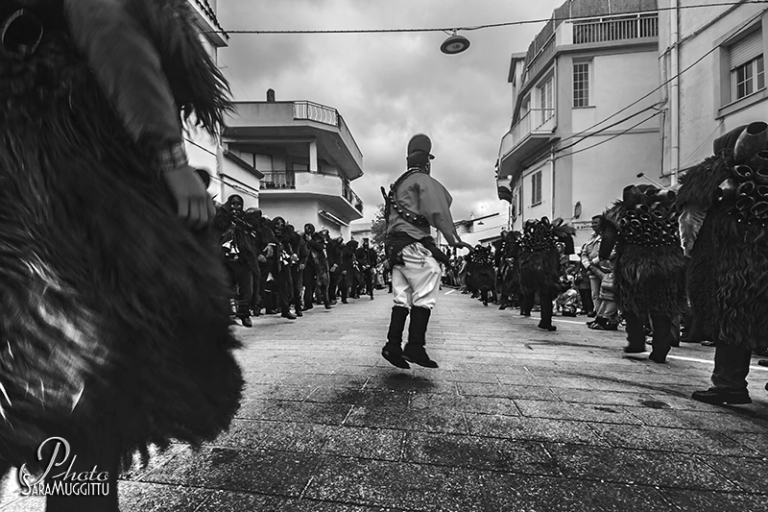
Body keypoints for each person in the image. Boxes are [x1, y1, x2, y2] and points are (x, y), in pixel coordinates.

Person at [0, 1, 243, 510]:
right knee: (88, 396)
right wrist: (171, 159)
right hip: (71, 203)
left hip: (23, 201)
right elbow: (110, 31)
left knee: (39, 394)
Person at [678, 122, 768, 404]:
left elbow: (689, 224)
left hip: (734, 261)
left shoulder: (711, 174)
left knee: (733, 320)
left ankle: (729, 385)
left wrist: (691, 254)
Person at [380, 133, 472, 369]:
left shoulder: (398, 185)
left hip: (395, 248)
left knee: (402, 297)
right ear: (427, 162)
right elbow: (439, 210)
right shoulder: (421, 180)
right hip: (412, 245)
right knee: (430, 276)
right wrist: (453, 239)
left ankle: (392, 345)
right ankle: (415, 346)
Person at [598, 184, 686, 361]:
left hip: (634, 263)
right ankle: (661, 349)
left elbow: (608, 238)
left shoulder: (619, 213)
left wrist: (603, 256)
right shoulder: (670, 210)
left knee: (631, 305)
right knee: (664, 306)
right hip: (669, 263)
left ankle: (637, 342)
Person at [518, 217, 576, 331]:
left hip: (533, 268)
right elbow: (567, 251)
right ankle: (545, 321)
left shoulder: (529, 240)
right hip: (546, 269)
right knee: (546, 295)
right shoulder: (551, 240)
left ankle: (540, 318)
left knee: (541, 294)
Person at [214, 194, 259, 327]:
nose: (235, 207)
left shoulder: (246, 220)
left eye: (238, 204)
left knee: (247, 289)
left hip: (243, 260)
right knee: (226, 287)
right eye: (233, 204)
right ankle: (226, 315)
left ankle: (244, 314)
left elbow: (254, 234)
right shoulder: (221, 219)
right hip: (225, 259)